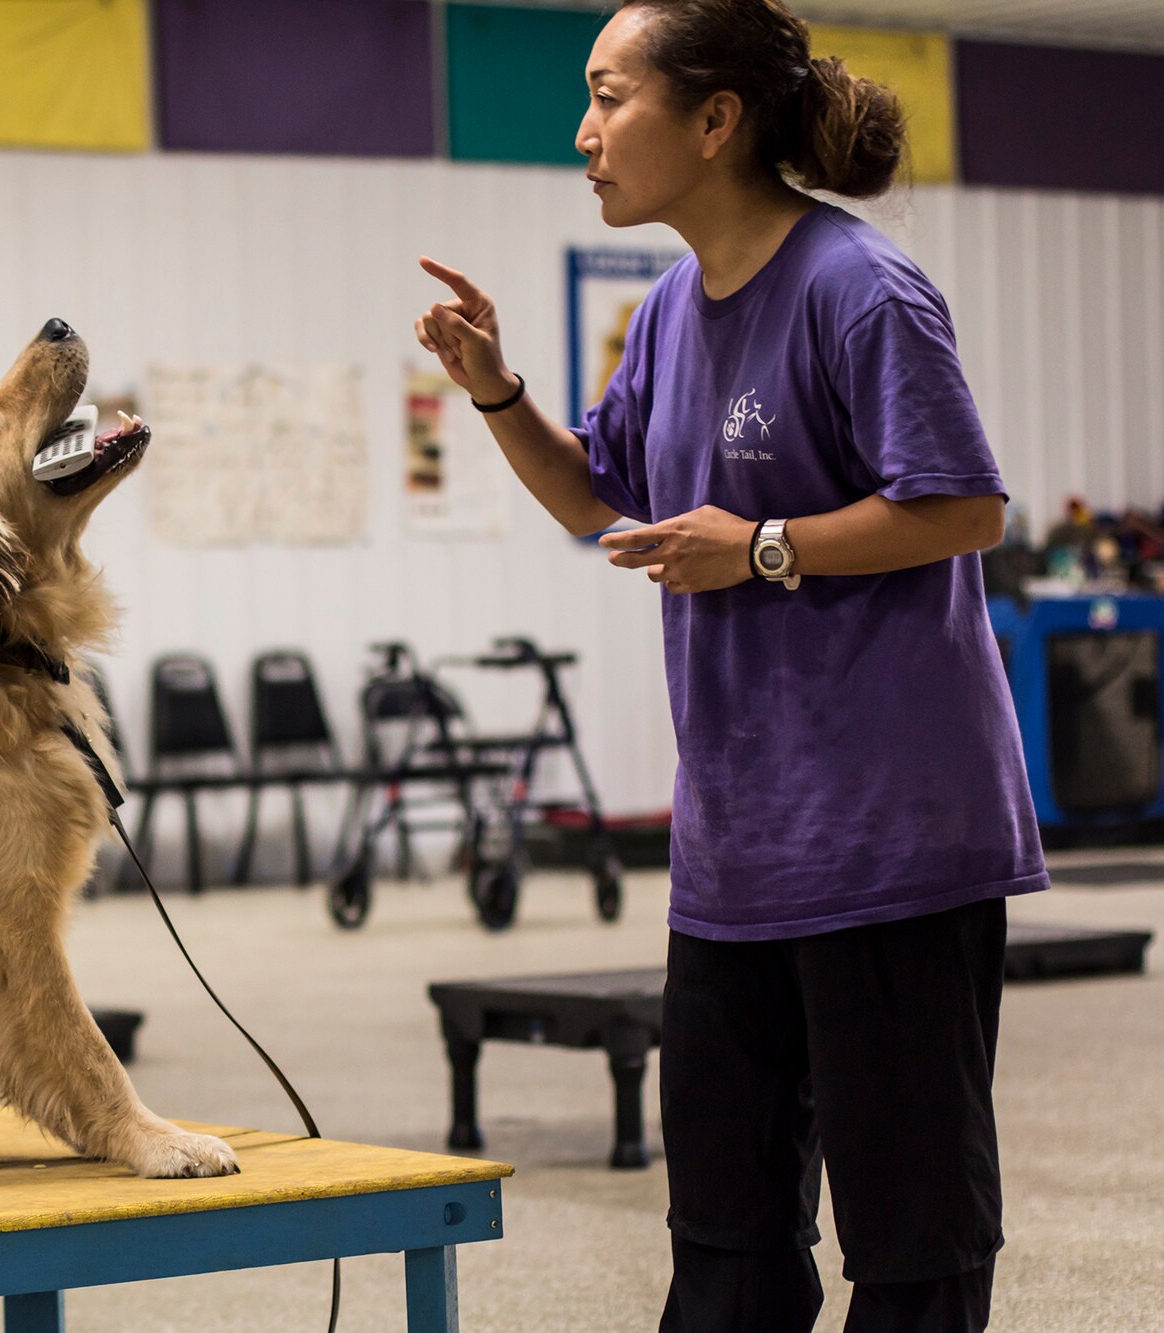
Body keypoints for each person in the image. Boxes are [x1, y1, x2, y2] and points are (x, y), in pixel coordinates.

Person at [414, 2, 1043, 1330]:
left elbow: (964, 507)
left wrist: (763, 547)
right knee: (726, 1246)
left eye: (609, 96)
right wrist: (493, 389)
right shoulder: (662, 317)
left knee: (914, 1243)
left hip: (891, 847)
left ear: (715, 122)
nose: (582, 134)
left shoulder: (858, 289)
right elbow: (602, 503)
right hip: (737, 860)